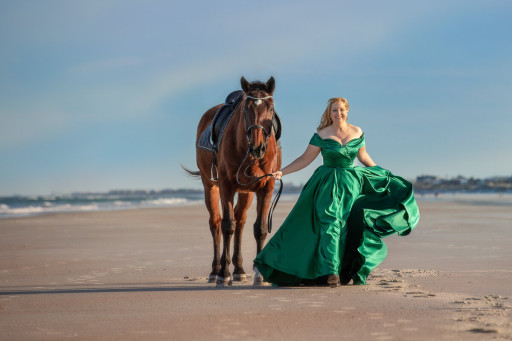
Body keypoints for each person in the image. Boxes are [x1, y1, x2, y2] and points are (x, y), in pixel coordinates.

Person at [253, 97, 420, 287]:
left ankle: (344, 269)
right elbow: (305, 159)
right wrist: (283, 172)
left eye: (341, 110)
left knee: (348, 226)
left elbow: (364, 158)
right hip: (327, 184)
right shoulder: (322, 134)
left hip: (352, 183)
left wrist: (383, 175)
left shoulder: (357, 132)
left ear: (347, 111)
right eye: (334, 110)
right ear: (329, 113)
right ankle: (331, 272)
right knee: (330, 222)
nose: (338, 113)